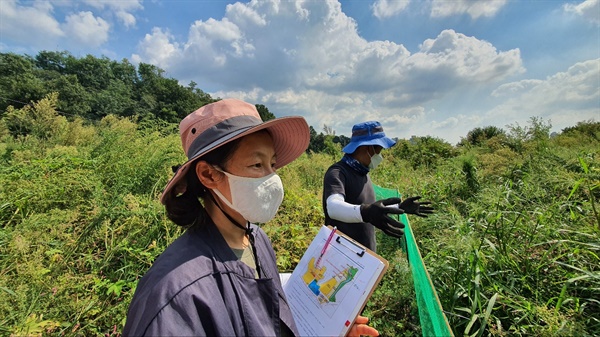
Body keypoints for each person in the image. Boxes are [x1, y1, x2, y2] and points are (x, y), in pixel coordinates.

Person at [123, 99, 379, 336]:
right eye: (257, 165)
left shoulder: (256, 239)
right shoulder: (177, 295)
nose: (273, 179)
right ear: (209, 175)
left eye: (273, 164)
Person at [322, 121, 434, 252]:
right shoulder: (338, 172)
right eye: (379, 150)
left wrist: (399, 208)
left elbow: (370, 208)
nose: (380, 156)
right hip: (342, 256)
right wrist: (367, 213)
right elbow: (334, 207)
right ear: (368, 148)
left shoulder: (363, 173)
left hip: (364, 256)